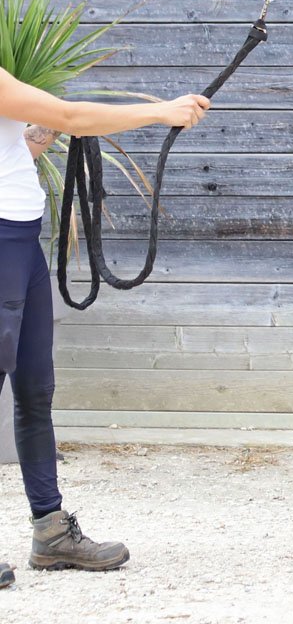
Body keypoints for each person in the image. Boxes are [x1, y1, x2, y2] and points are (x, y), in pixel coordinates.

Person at [0, 67, 210, 589]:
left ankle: (51, 532)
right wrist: (161, 111)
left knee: (35, 389)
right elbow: (71, 115)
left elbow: (22, 145)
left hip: (21, 241)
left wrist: (37, 138)